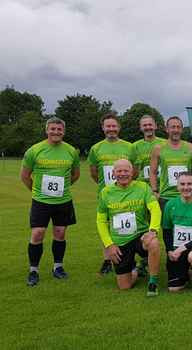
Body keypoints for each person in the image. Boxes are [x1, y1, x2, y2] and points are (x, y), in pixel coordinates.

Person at [21, 117, 80, 286]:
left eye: (59, 129)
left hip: (63, 201)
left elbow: (75, 174)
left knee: (60, 233)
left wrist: (64, 187)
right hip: (41, 201)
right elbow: (25, 176)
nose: (56, 132)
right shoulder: (34, 150)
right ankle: (33, 270)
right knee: (37, 234)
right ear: (47, 130)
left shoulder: (71, 151)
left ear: (63, 132)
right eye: (53, 129)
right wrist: (37, 191)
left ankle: (58, 267)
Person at [96, 159, 161, 296]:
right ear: (113, 173)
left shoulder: (143, 187)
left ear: (132, 172)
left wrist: (153, 230)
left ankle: (153, 282)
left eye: (126, 171)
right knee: (124, 286)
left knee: (153, 243)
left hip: (139, 236)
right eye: (119, 171)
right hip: (119, 241)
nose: (123, 174)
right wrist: (109, 245)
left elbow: (155, 209)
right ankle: (138, 269)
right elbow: (101, 221)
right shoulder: (106, 192)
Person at [89, 113, 135, 275]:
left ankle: (132, 258)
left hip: (128, 193)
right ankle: (107, 259)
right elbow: (94, 172)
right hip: (107, 194)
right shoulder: (96, 148)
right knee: (107, 225)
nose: (111, 129)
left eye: (114, 126)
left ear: (119, 128)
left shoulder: (129, 147)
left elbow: (134, 170)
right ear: (103, 128)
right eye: (108, 126)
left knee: (130, 223)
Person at [150, 116, 192, 208]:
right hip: (166, 196)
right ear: (167, 129)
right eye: (173, 127)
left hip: (187, 195)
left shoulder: (191, 147)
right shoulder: (158, 148)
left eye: (178, 127)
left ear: (182, 129)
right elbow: (153, 172)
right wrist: (154, 191)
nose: (176, 130)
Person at [131, 115, 165, 184]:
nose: (148, 127)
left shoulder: (165, 144)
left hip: (162, 185)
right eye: (144, 125)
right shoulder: (134, 146)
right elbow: (134, 170)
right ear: (140, 128)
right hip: (142, 186)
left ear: (155, 126)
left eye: (150, 125)